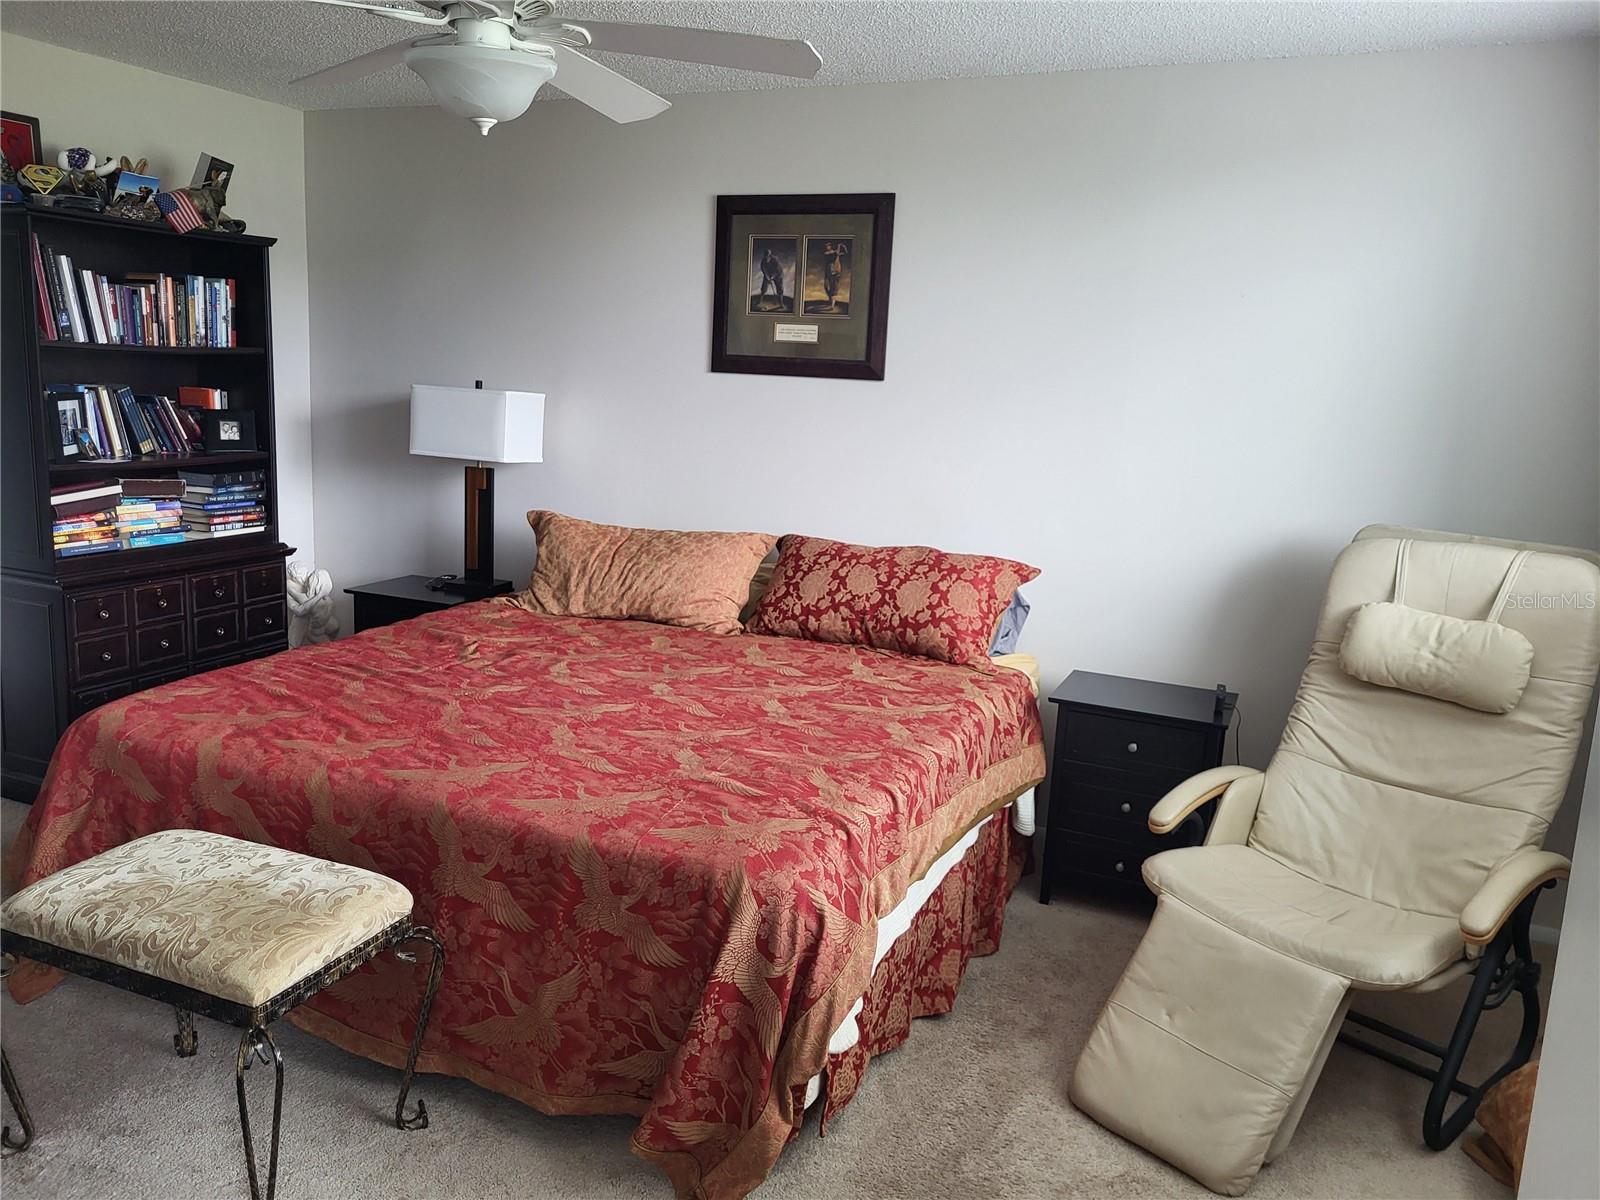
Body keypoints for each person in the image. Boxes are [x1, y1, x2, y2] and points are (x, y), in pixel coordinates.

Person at [822, 242, 847, 309]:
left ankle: (832, 305)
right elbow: (830, 254)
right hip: (828, 272)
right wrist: (838, 248)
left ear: (830, 246)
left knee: (834, 288)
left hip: (835, 272)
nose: (827, 247)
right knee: (826, 286)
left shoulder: (835, 253)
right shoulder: (828, 253)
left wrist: (841, 247)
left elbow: (844, 253)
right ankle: (831, 301)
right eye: (826, 246)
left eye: (828, 246)